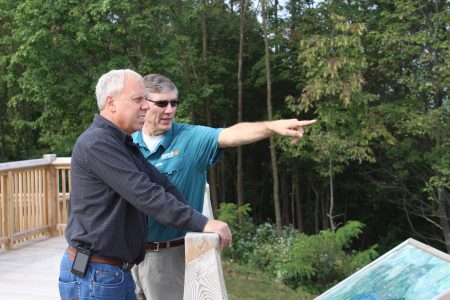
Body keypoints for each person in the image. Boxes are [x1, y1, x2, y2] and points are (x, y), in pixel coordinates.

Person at [131, 73, 316, 299]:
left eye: (174, 103)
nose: (169, 110)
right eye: (161, 103)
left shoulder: (190, 138)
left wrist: (271, 127)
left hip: (167, 258)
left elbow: (231, 134)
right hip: (127, 255)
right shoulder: (127, 141)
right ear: (143, 104)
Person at [58, 69, 232, 300]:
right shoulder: (99, 144)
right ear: (111, 103)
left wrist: (195, 218)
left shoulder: (122, 143)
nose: (146, 106)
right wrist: (202, 223)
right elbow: (146, 194)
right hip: (96, 276)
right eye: (137, 99)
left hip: (106, 273)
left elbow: (162, 185)